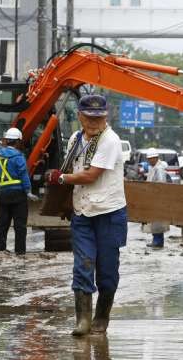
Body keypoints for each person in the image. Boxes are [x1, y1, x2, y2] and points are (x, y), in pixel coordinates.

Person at [45, 94, 127, 336]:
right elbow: (72, 168)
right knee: (83, 264)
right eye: (89, 118)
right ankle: (82, 320)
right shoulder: (75, 139)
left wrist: (60, 178)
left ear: (106, 117)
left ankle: (101, 318)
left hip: (109, 213)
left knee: (107, 271)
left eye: (98, 118)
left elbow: (90, 176)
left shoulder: (110, 140)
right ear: (80, 116)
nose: (93, 122)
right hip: (82, 213)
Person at [0, 127, 37, 255]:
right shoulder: (19, 156)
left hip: (4, 194)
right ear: (18, 141)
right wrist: (28, 191)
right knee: (20, 226)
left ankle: (0, 251)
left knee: (3, 224)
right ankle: (20, 252)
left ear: (6, 140)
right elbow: (24, 175)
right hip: (19, 195)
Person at [144, 148, 169, 248]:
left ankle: (158, 241)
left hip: (158, 198)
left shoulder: (159, 169)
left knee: (158, 221)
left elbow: (160, 184)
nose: (149, 161)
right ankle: (156, 240)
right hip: (153, 198)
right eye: (148, 159)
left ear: (156, 158)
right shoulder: (153, 168)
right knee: (154, 221)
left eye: (151, 159)